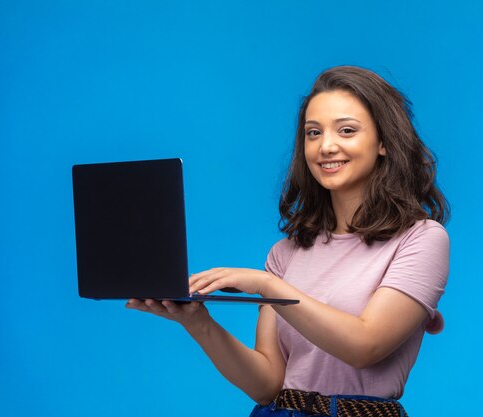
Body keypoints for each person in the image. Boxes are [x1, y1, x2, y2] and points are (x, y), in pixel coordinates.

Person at [126, 65, 450, 417]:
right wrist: (198, 323)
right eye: (313, 133)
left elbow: (365, 345)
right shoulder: (285, 253)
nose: (326, 146)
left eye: (346, 130)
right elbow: (267, 384)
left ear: (383, 142)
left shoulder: (422, 240)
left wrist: (268, 285)